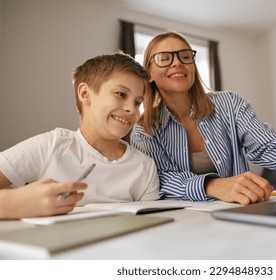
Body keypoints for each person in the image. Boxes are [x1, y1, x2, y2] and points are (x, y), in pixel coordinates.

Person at [131, 31, 276, 205]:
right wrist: (213, 185)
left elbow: (266, 145)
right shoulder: (144, 129)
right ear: (148, 72)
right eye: (164, 58)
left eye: (185, 56)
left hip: (241, 215)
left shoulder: (229, 105)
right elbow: (159, 181)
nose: (177, 63)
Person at [0, 52, 160, 219]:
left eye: (137, 102)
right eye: (121, 94)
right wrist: (13, 203)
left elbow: (153, 223)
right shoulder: (50, 146)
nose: (131, 109)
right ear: (85, 93)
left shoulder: (145, 167)